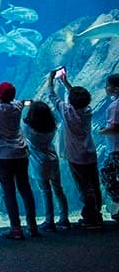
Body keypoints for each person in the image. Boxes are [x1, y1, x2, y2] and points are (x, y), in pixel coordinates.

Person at [0, 74, 40, 239]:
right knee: (25, 189)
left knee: (9, 191)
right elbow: (8, 96)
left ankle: (16, 228)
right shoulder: (17, 106)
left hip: (3, 156)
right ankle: (32, 226)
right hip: (20, 153)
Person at [48, 72, 102, 228]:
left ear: (70, 101)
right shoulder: (88, 111)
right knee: (94, 184)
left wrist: (51, 79)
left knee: (84, 187)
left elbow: (51, 96)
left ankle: (91, 219)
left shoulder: (66, 111)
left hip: (76, 156)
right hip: (90, 153)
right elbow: (79, 100)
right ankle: (96, 213)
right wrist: (66, 83)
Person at [22, 101, 70, 232]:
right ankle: (64, 218)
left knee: (45, 191)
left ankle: (49, 221)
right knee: (58, 189)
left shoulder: (27, 128)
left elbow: (21, 122)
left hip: (39, 163)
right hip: (52, 159)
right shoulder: (52, 126)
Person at [100, 73, 119, 222]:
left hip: (116, 149)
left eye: (107, 85)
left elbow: (114, 127)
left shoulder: (115, 106)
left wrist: (101, 131)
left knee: (106, 173)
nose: (105, 88)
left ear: (115, 88)